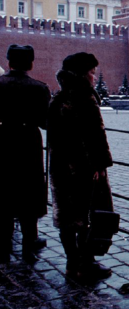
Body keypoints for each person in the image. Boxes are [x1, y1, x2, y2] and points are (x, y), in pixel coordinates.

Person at [47, 52, 115, 282]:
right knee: (88, 215)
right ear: (82, 74)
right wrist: (100, 165)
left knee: (67, 217)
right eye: (92, 73)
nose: (94, 78)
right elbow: (95, 136)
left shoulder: (58, 99)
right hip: (84, 168)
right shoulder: (85, 99)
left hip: (61, 166)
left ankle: (71, 263)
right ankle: (85, 264)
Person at [0, 45, 51, 263]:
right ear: (30, 64)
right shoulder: (39, 88)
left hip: (1, 140)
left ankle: (3, 244)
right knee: (29, 191)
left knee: (3, 190)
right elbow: (45, 121)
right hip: (28, 142)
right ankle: (30, 243)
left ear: (9, 62)